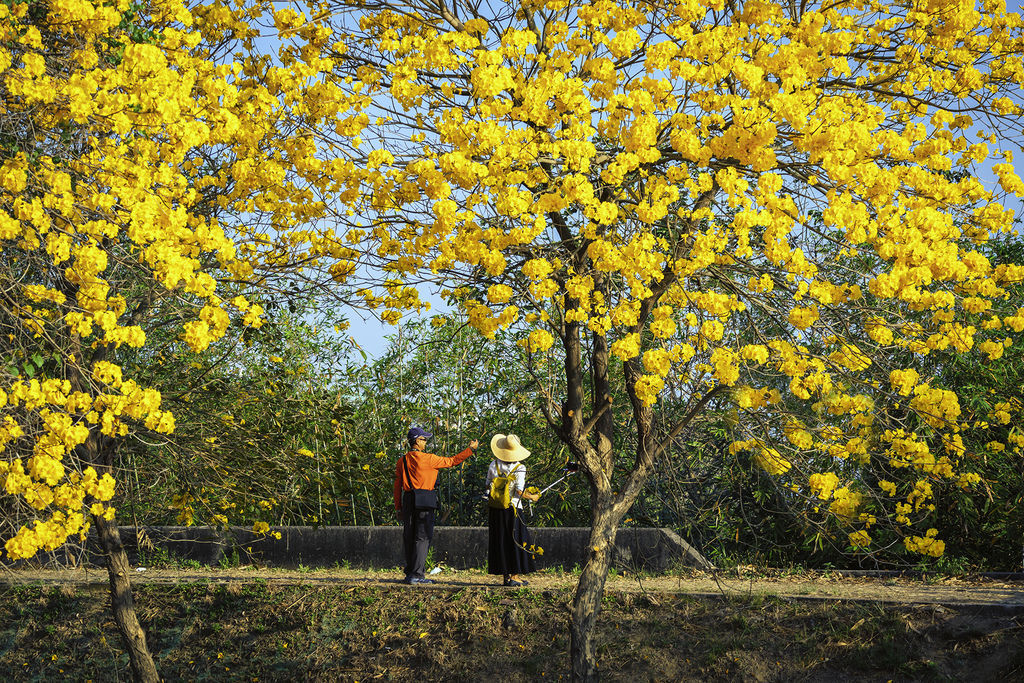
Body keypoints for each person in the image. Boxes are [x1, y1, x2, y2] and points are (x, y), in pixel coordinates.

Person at [394, 426, 478, 585]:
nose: (426, 442)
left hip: (408, 499)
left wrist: (398, 507)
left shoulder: (402, 460)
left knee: (409, 536)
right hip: (425, 499)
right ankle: (418, 575)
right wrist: (470, 450)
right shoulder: (429, 459)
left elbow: (397, 485)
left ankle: (410, 573)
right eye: (424, 439)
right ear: (417, 441)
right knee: (423, 537)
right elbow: (453, 461)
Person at [486, 433, 541, 587]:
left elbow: (487, 485)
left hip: (496, 509)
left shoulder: (493, 464)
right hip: (513, 509)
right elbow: (519, 491)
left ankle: (505, 576)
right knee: (516, 540)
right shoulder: (520, 467)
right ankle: (515, 576)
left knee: (501, 541)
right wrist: (532, 497)